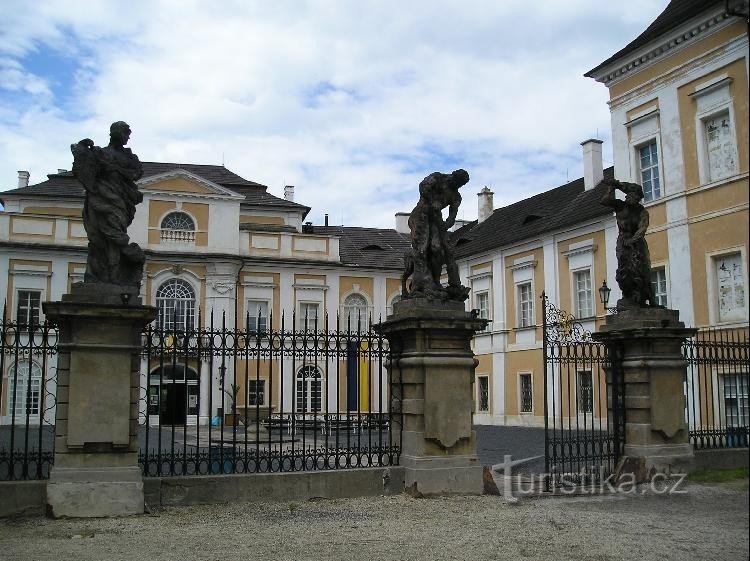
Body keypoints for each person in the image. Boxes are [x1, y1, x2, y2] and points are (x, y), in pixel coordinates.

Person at [71, 121, 145, 286]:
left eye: (128, 135)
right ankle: (103, 275)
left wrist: (116, 169)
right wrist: (82, 148)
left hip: (120, 200)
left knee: (115, 233)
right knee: (99, 237)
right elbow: (83, 168)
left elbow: (137, 173)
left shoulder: (129, 157)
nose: (127, 137)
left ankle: (115, 272)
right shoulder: (100, 153)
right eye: (125, 133)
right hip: (101, 197)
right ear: (115, 133)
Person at [403, 169, 470, 301]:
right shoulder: (438, 178)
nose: (456, 185)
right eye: (456, 181)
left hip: (435, 219)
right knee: (421, 250)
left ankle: (435, 283)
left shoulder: (456, 197)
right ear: (452, 176)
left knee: (437, 249)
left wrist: (445, 226)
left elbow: (452, 217)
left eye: (460, 184)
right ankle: (422, 285)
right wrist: (432, 200)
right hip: (420, 215)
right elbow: (423, 187)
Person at [600, 178, 657, 308]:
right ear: (627, 195)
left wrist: (632, 240)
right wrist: (611, 188)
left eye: (636, 196)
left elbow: (642, 229)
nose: (633, 198)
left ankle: (650, 300)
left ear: (639, 198)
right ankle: (628, 296)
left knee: (642, 270)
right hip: (622, 243)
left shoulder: (642, 212)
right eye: (631, 195)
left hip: (637, 243)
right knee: (624, 270)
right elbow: (604, 201)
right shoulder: (620, 206)